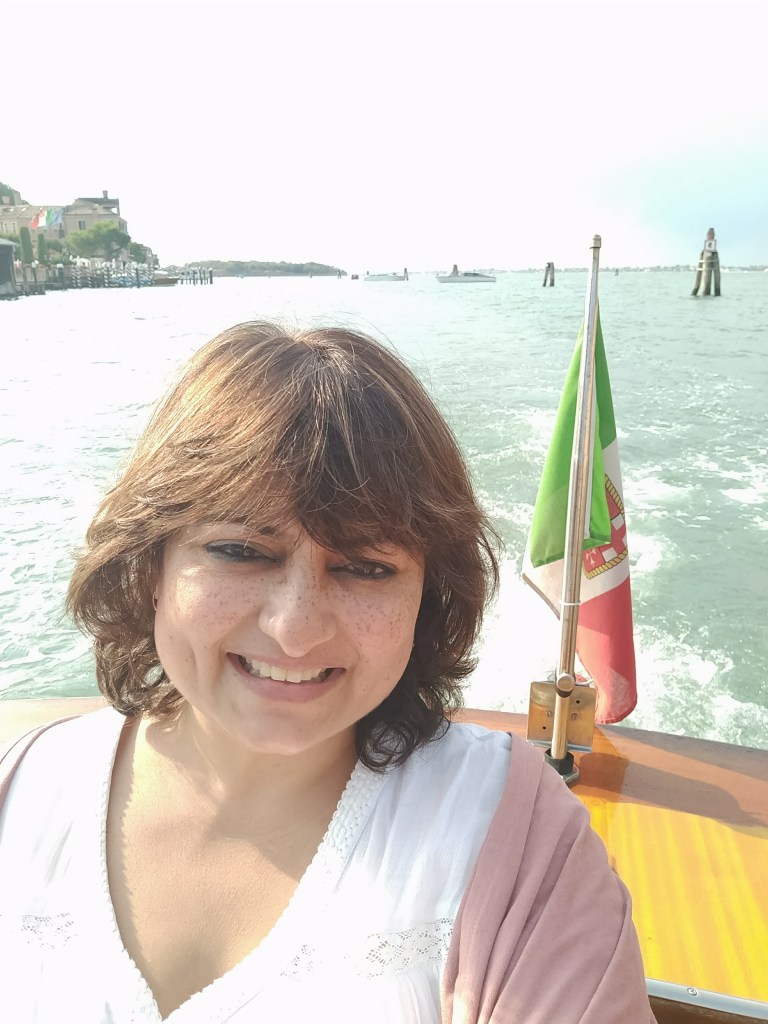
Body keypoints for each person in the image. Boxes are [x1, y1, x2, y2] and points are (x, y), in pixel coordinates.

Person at [0, 322, 655, 1023]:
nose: (295, 626)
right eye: (241, 551)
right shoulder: (21, 789)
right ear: (150, 566)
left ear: (426, 599)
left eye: (366, 568)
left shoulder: (523, 849)